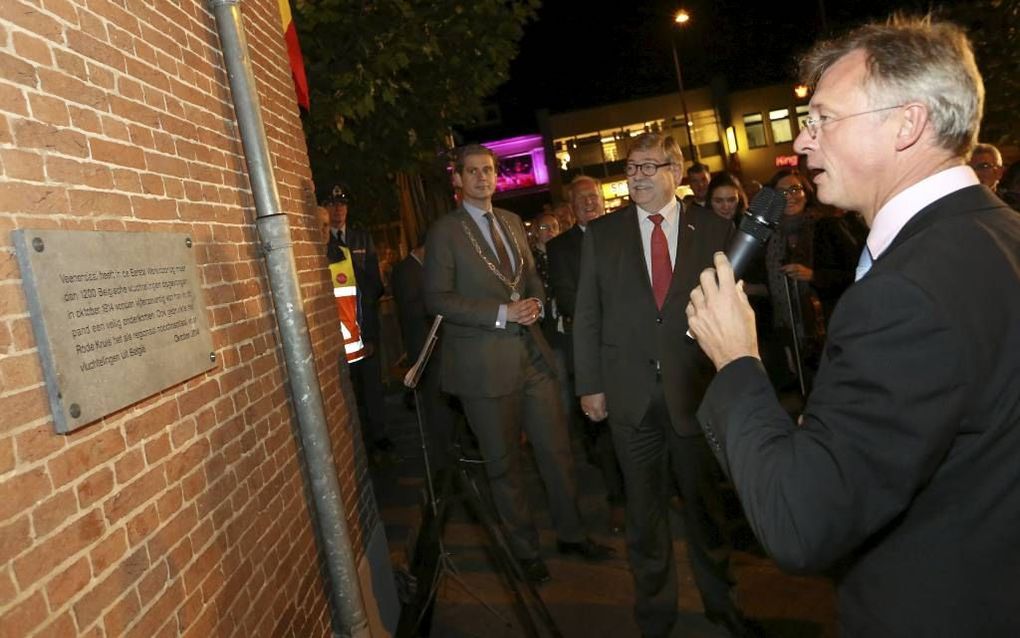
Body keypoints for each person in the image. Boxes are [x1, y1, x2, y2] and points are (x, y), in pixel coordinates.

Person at [686, 16, 1020, 636]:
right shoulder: (999, 234)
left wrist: (736, 360)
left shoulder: (906, 292)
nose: (803, 143)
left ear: (907, 122)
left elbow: (801, 522)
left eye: (822, 119)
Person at [573, 133, 753, 637]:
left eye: (649, 167)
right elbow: (588, 313)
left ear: (675, 170)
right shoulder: (602, 234)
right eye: (631, 168)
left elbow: (731, 305)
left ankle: (723, 605)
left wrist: (734, 376)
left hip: (694, 391)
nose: (638, 177)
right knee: (644, 516)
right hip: (628, 396)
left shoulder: (714, 229)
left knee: (705, 511)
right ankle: (655, 613)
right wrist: (589, 384)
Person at [424, 144, 612, 584]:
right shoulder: (445, 232)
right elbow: (436, 298)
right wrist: (499, 314)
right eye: (472, 172)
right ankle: (524, 551)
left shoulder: (510, 222)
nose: (482, 178)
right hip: (482, 367)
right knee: (504, 465)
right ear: (457, 180)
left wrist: (535, 304)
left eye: (488, 171)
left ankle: (571, 533)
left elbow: (529, 275)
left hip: (533, 355)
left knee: (558, 452)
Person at [547, 175, 626, 534]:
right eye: (581, 200)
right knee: (604, 432)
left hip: (633, 348)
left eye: (593, 197)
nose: (589, 203)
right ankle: (618, 502)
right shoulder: (560, 248)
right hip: (592, 351)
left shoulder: (626, 231)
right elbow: (568, 299)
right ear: (571, 208)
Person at [322, 185, 396, 464]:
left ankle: (381, 438)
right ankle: (359, 442)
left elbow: (375, 286)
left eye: (341, 204)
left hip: (364, 328)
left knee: (372, 385)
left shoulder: (360, 238)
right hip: (338, 332)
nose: (337, 209)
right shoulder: (319, 244)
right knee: (348, 389)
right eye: (331, 204)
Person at [391, 243, 457, 473]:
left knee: (443, 400)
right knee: (434, 404)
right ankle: (442, 457)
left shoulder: (424, 269)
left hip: (439, 346)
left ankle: (450, 447)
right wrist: (439, 302)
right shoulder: (404, 270)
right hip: (423, 347)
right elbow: (410, 309)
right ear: (422, 248)